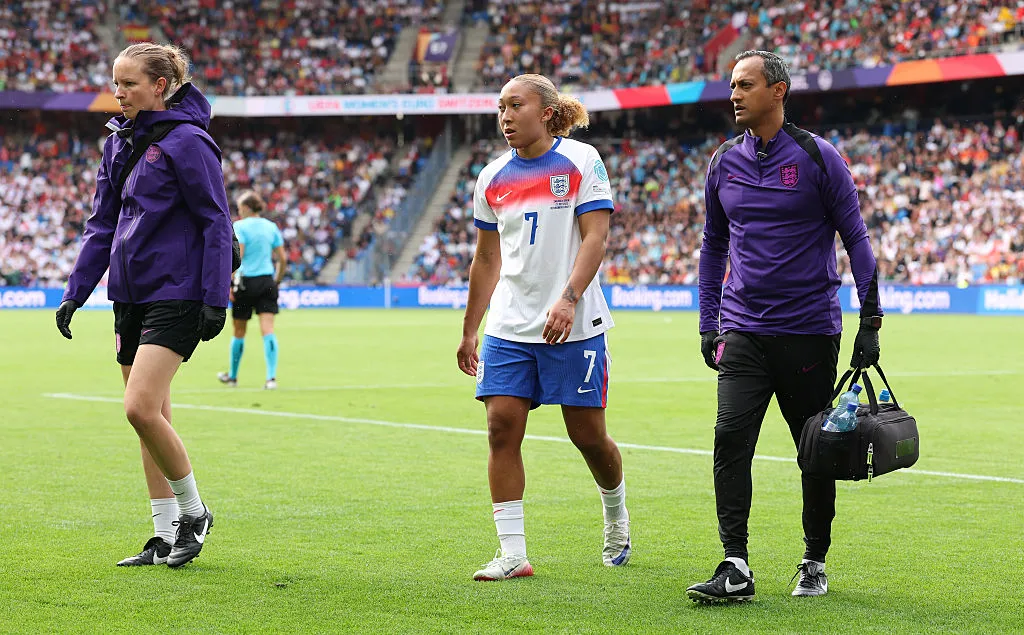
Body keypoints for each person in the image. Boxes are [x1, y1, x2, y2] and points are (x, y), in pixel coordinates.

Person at [686, 50, 883, 603]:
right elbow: (713, 245)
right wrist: (710, 322)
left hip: (808, 332)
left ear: (778, 90)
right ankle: (735, 564)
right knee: (729, 439)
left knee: (814, 449)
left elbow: (857, 240)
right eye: (731, 85)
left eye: (745, 84)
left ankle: (814, 559)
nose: (733, 94)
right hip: (743, 330)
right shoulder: (723, 161)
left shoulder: (820, 158)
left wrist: (871, 320)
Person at [54, 42, 233, 568]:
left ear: (161, 86)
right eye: (116, 81)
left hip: (176, 292)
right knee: (148, 417)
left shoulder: (189, 142)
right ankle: (162, 536)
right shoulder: (118, 143)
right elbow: (101, 224)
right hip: (128, 294)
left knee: (138, 407)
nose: (118, 92)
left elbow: (215, 221)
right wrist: (75, 292)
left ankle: (194, 514)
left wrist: (215, 296)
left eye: (129, 83)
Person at [456, 74, 630, 581]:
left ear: (547, 113)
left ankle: (616, 514)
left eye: (516, 106)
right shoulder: (490, 177)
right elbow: (486, 259)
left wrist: (568, 299)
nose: (506, 117)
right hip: (509, 326)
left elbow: (595, 237)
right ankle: (513, 553)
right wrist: (470, 329)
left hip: (573, 324)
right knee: (500, 428)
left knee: (588, 435)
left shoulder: (581, 161)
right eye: (500, 108)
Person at [217, 190, 286, 389]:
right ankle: (271, 378)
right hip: (266, 282)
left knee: (239, 331)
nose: (238, 212)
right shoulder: (271, 227)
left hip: (246, 283)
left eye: (239, 208)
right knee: (268, 330)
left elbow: (238, 258)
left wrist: (229, 284)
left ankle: (233, 377)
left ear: (246, 208)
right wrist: (277, 281)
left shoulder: (240, 226)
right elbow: (282, 258)